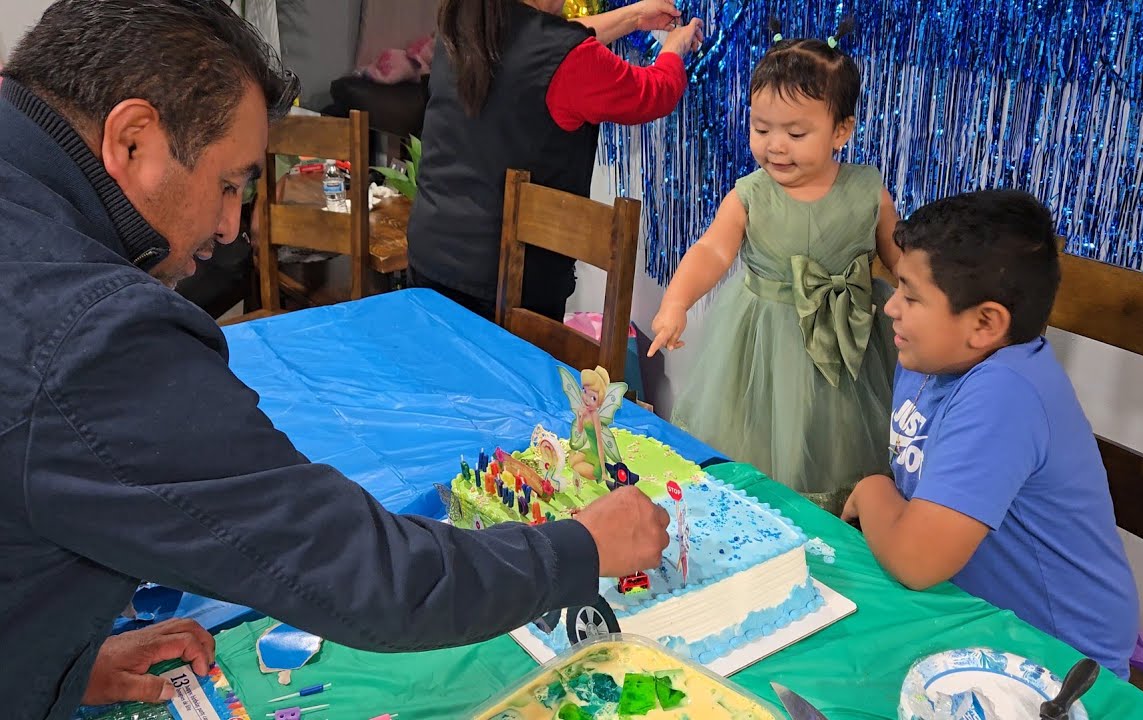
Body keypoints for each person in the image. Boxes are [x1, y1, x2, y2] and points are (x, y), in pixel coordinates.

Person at [0, 2, 671, 716]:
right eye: (230, 184)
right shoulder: (88, 333)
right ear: (133, 140)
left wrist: (46, 653)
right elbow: (362, 574)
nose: (231, 228)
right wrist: (577, 550)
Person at [841, 190, 1139, 678]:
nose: (892, 307)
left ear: (985, 324)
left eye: (911, 296)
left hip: (1058, 665)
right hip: (968, 616)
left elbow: (917, 560)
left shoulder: (1006, 391)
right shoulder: (931, 356)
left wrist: (873, 490)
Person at [647, 24, 901, 512]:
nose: (775, 146)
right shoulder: (751, 194)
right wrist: (676, 302)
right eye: (760, 129)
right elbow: (712, 252)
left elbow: (900, 257)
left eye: (796, 133)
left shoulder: (869, 190)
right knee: (767, 446)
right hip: (763, 347)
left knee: (837, 445)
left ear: (841, 131)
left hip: (850, 348)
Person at [407, 0, 705, 322]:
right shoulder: (563, 55)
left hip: (431, 258)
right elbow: (652, 93)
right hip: (505, 288)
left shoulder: (465, 21)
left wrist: (633, 17)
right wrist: (674, 50)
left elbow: (556, 43)